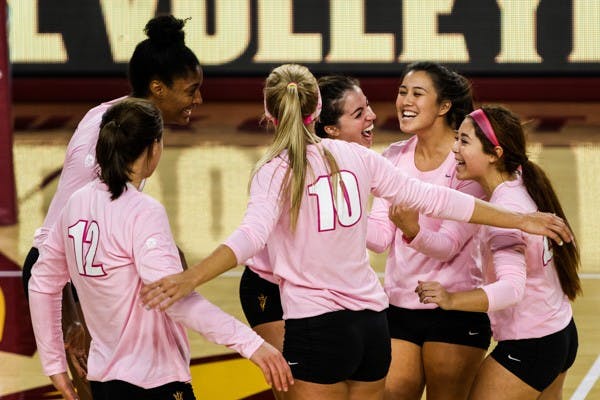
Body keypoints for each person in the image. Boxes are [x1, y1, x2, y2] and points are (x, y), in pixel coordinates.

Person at [140, 64, 572, 400]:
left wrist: (190, 277)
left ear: (271, 116)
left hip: (317, 323)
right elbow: (437, 200)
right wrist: (519, 218)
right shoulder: (359, 157)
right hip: (371, 326)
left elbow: (249, 238)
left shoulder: (275, 170)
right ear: (318, 114)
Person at [28, 98, 293, 400]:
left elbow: (42, 283)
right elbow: (173, 298)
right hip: (153, 382)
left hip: (104, 382)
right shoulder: (141, 211)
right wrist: (251, 343)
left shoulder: (75, 203)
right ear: (154, 148)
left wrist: (54, 365)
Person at [21, 14, 203, 397]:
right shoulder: (102, 132)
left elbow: (118, 208)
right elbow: (74, 233)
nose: (198, 100)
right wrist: (75, 321)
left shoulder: (134, 121)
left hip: (93, 268)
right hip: (67, 271)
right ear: (158, 87)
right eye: (191, 90)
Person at [416, 105, 581, 400]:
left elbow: (511, 289)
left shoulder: (506, 214)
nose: (454, 149)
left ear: (495, 154)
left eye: (464, 141)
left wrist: (452, 299)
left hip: (531, 345)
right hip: (559, 332)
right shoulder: (520, 181)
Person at [238, 74, 376, 399]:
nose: (371, 116)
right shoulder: (282, 166)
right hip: (271, 287)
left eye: (367, 106)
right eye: (358, 113)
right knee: (292, 390)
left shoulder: (364, 163)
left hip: (319, 291)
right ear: (328, 127)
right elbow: (253, 233)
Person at [366, 61, 490, 400]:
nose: (405, 100)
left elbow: (449, 245)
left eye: (418, 93)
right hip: (400, 304)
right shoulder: (392, 157)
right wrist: (338, 215)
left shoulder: (467, 159)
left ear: (444, 106)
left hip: (455, 307)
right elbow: (378, 238)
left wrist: (412, 231)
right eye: (402, 92)